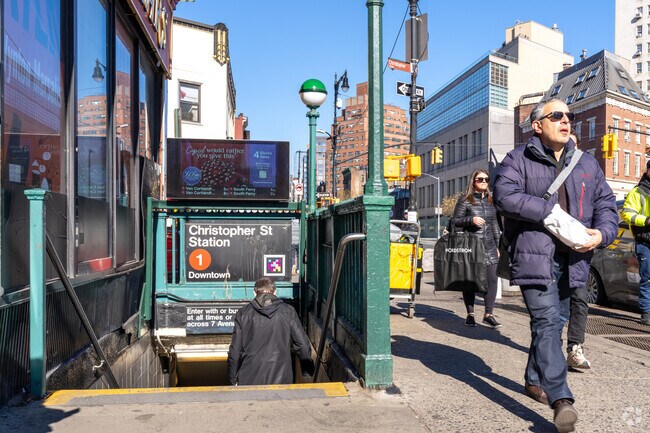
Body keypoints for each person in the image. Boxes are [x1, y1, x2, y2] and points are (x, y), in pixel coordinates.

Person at [493, 98, 618, 433]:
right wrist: (545, 211)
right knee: (547, 321)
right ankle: (561, 398)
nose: (566, 121)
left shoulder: (588, 164)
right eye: (557, 115)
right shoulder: (518, 159)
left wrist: (601, 233)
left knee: (557, 320)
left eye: (569, 116)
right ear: (538, 125)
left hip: (574, 259)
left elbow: (606, 204)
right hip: (535, 256)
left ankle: (533, 378)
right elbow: (504, 195)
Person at [227, 277, 313, 385]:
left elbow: (235, 350)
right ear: (275, 292)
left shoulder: (243, 313)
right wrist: (307, 371)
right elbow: (302, 343)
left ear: (254, 293)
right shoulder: (288, 311)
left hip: (249, 376)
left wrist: (232, 379)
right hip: (282, 377)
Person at [452, 168, 502, 329]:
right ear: (473, 181)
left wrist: (498, 245)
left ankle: (488, 314)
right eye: (480, 179)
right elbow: (455, 221)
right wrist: (471, 219)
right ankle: (470, 314)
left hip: (489, 246)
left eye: (486, 179)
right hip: (471, 245)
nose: (483, 182)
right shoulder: (465, 200)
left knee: (492, 279)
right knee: (471, 282)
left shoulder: (490, 200)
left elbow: (494, 224)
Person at [564, 132, 592, 369]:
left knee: (580, 299)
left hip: (580, 248)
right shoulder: (550, 167)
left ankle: (574, 347)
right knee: (555, 306)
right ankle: (549, 348)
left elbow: (601, 203)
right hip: (552, 248)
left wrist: (601, 231)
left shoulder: (587, 168)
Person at [621, 159, 650, 326]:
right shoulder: (638, 192)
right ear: (647, 172)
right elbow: (627, 214)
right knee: (647, 279)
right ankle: (646, 313)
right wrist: (646, 221)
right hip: (645, 242)